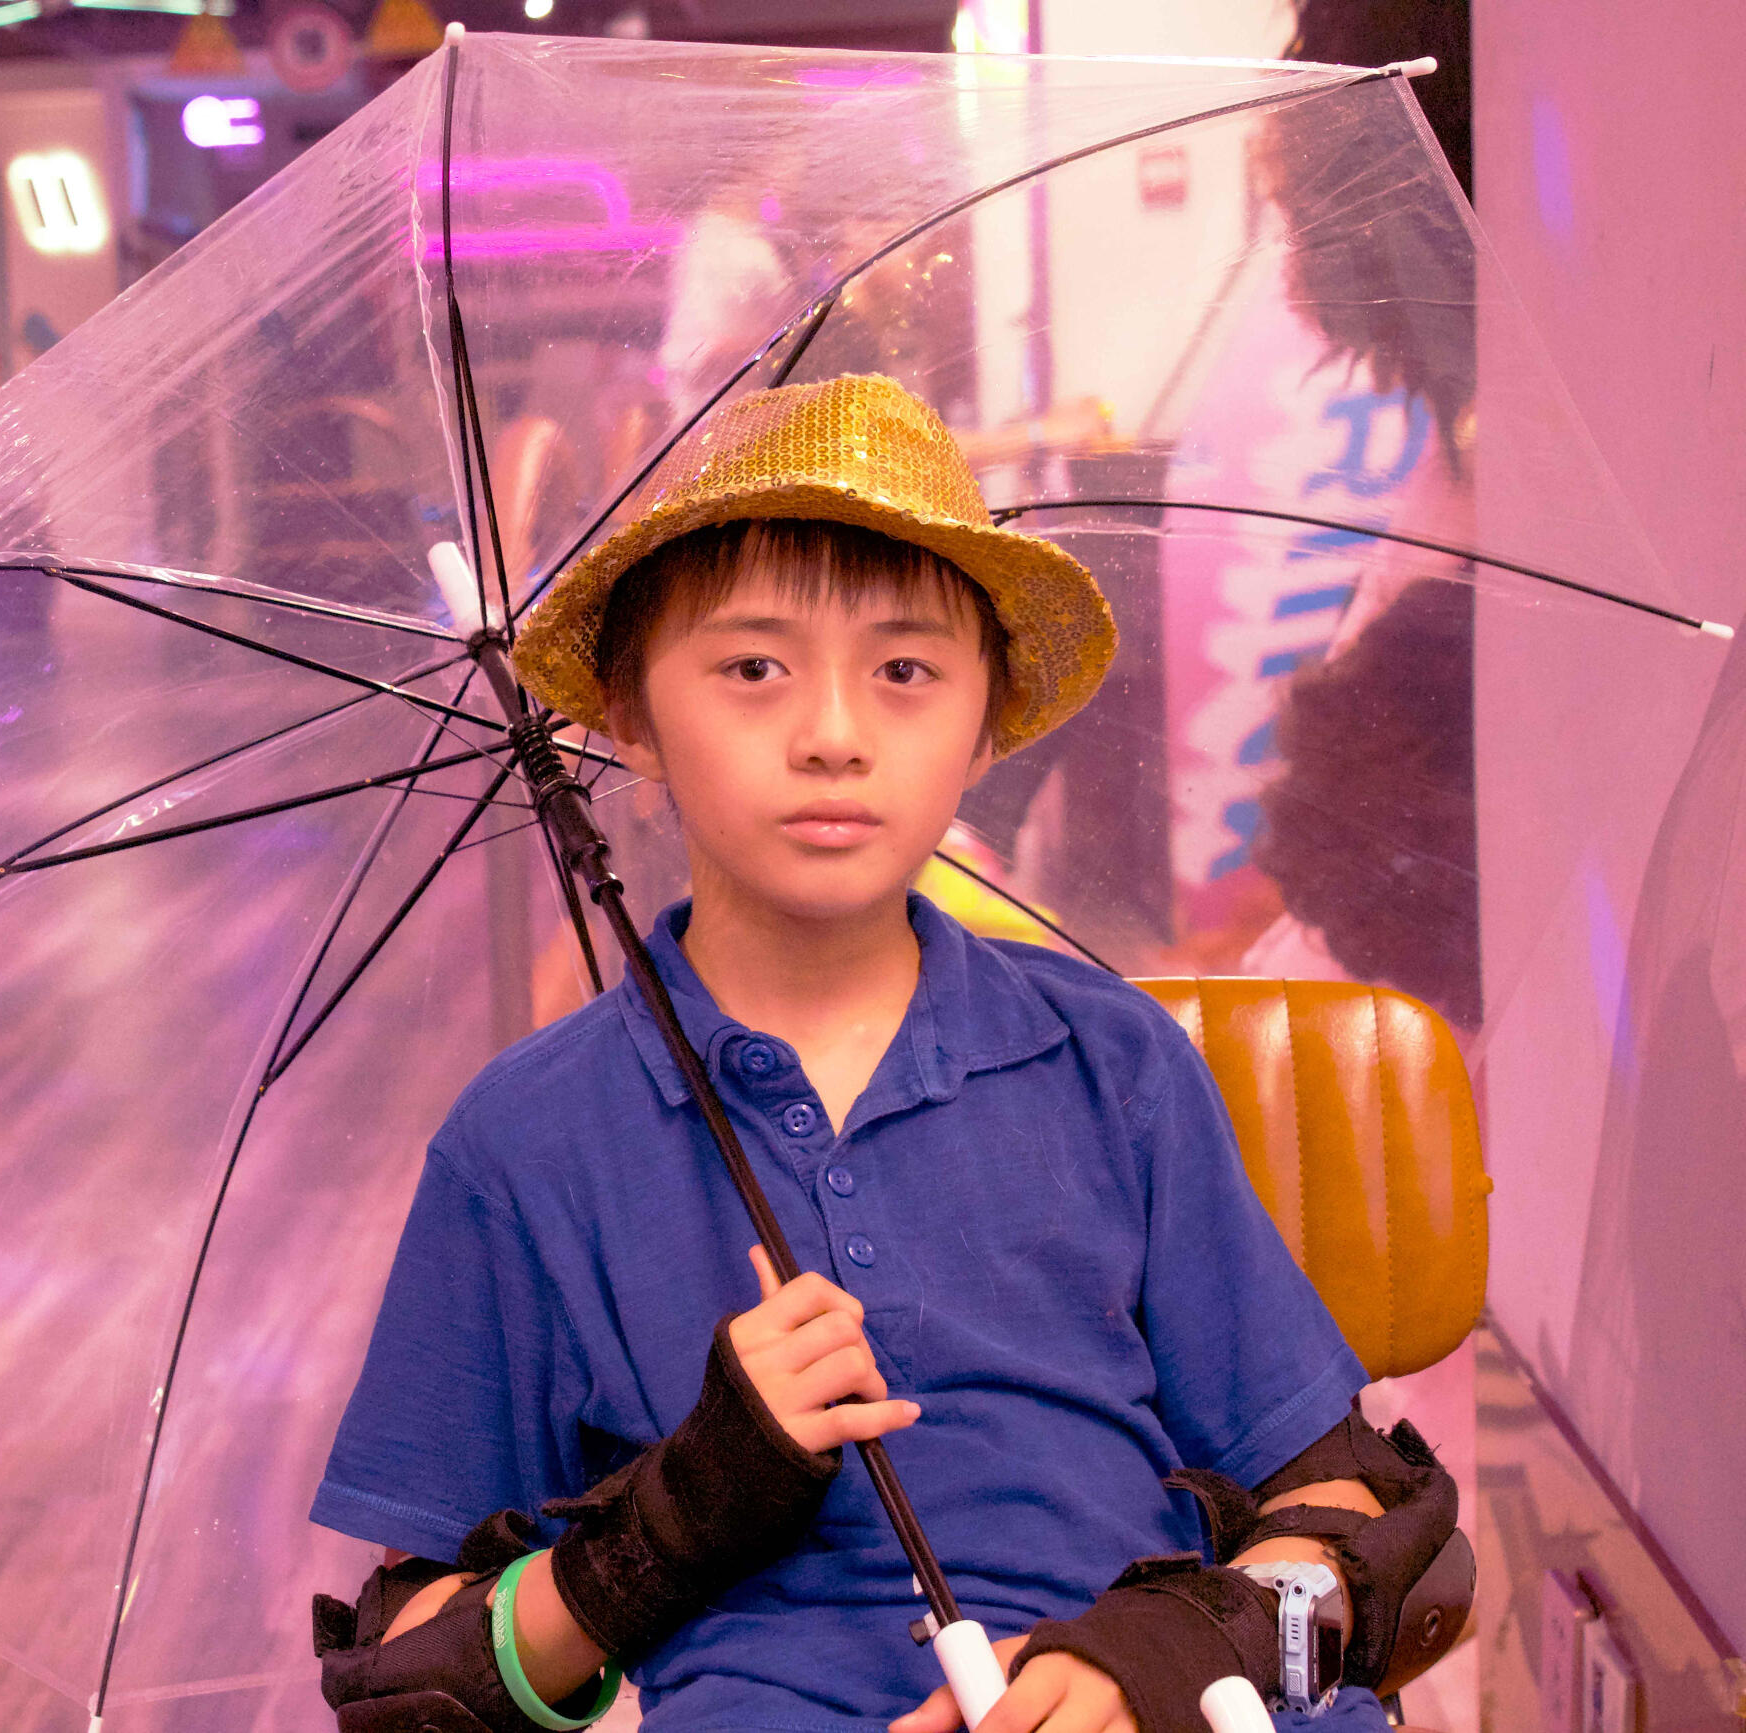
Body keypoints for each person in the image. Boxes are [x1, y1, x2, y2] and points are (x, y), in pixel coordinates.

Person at [309, 376, 1465, 1733]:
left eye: (905, 671)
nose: (835, 734)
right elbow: (409, 1684)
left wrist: (1173, 1650)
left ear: (986, 723)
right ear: (629, 712)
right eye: (755, 668)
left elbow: (1376, 1538)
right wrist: (670, 1523)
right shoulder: (525, 1143)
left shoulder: (1113, 1064)